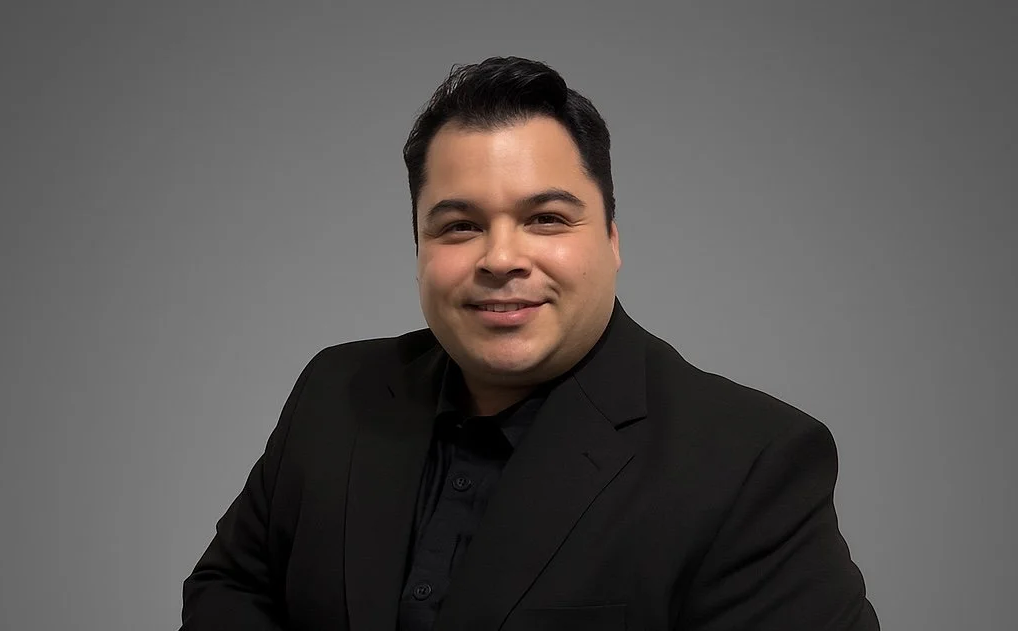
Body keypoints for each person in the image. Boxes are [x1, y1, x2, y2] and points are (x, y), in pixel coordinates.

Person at [180, 56, 880, 630]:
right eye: (458, 225)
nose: (500, 258)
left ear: (610, 238)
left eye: (545, 217)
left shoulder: (750, 463)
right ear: (418, 249)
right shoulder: (335, 391)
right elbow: (229, 589)